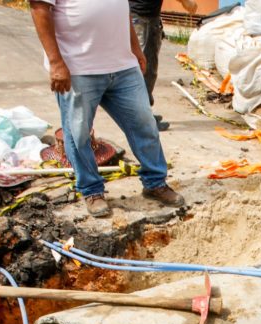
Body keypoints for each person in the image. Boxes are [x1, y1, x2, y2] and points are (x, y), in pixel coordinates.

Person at [28, 0, 185, 218]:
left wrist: (135, 49)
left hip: (122, 65)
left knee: (145, 123)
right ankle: (92, 191)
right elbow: (39, 9)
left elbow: (121, 10)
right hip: (79, 67)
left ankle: (155, 182)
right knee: (78, 133)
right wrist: (56, 63)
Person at [128, 0, 197, 131]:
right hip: (142, 17)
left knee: (145, 68)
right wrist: (186, 2)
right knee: (144, 69)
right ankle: (142, 119)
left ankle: (143, 114)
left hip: (141, 16)